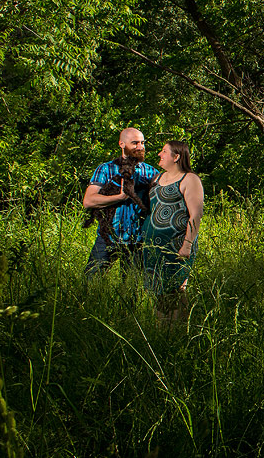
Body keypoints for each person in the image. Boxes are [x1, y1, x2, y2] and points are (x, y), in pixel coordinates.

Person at [83, 127, 159, 275]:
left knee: (132, 289)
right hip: (109, 236)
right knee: (91, 280)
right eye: (135, 143)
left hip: (138, 240)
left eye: (142, 143)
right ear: (122, 144)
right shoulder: (105, 169)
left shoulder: (150, 172)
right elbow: (89, 201)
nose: (140, 147)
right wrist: (120, 197)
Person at [142, 140, 204, 317]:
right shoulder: (157, 178)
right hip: (153, 247)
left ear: (176, 157)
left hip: (177, 246)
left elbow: (196, 215)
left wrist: (187, 244)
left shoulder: (190, 179)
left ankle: (178, 329)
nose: (159, 155)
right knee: (157, 290)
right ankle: (161, 329)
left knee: (176, 289)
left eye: (163, 151)